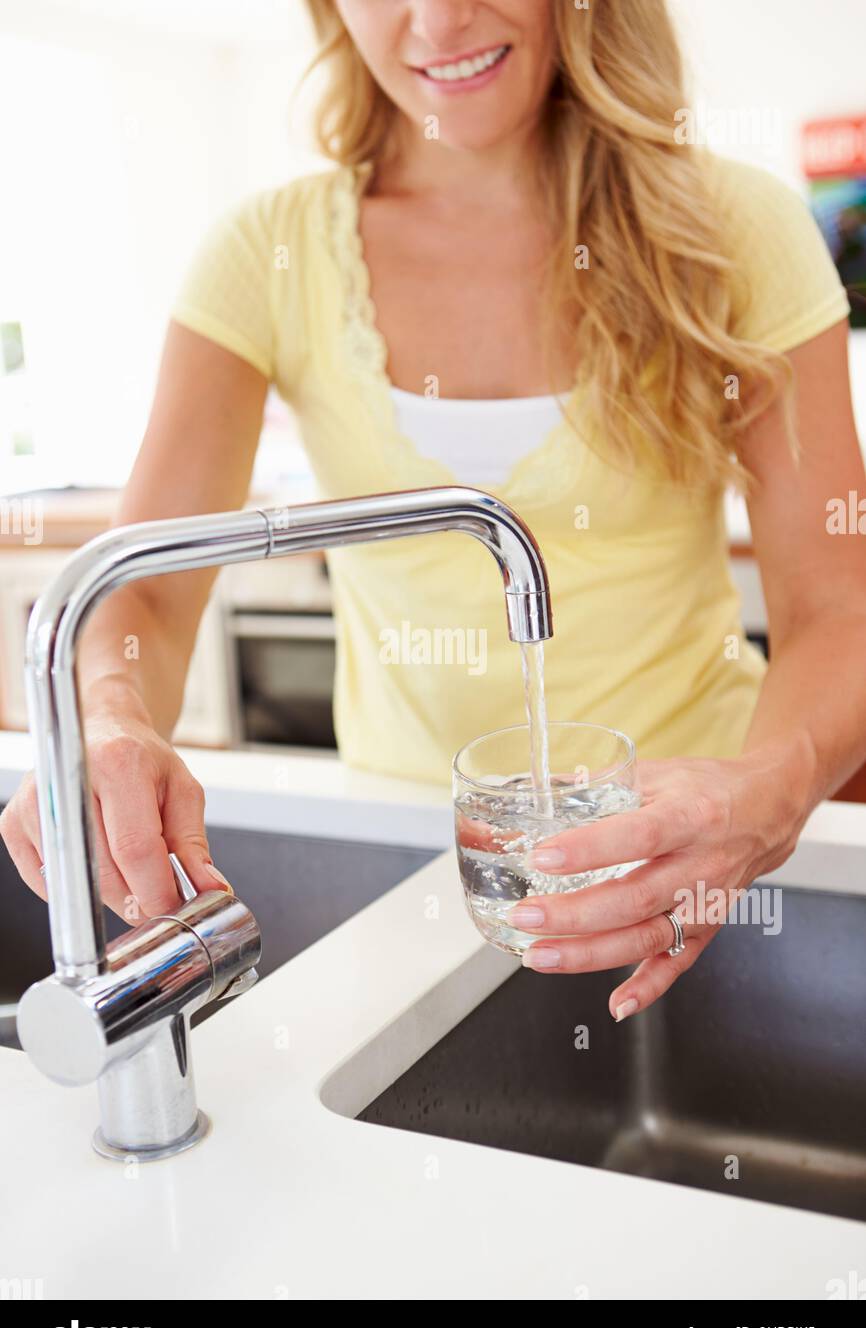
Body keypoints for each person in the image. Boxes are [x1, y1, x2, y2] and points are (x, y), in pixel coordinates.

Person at [4, 0, 866, 1023]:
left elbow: (836, 608)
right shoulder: (264, 253)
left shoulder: (738, 227)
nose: (439, 20)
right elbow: (143, 598)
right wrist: (107, 717)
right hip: (405, 880)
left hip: (699, 865)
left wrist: (761, 793)